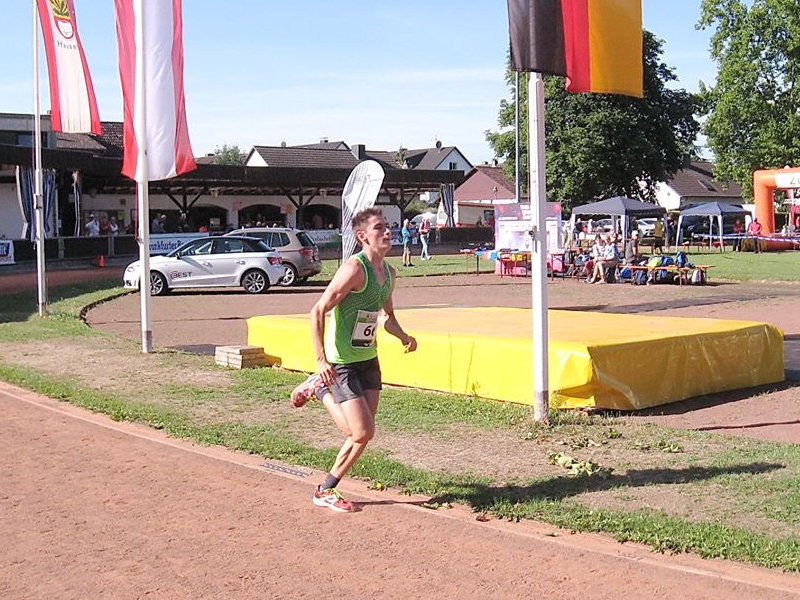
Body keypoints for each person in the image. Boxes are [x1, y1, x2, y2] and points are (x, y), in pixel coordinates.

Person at [290, 207, 417, 513]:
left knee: (361, 433)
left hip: (368, 359)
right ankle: (324, 489)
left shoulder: (389, 274)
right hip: (342, 361)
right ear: (362, 236)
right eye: (379, 228)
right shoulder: (354, 269)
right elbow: (317, 310)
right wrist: (321, 360)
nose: (387, 231)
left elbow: (387, 316)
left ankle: (319, 390)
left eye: (387, 226)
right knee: (362, 432)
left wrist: (404, 336)